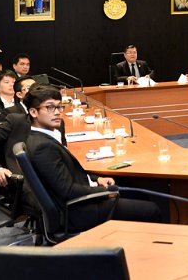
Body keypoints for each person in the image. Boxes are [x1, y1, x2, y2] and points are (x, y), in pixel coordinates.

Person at [25, 85, 161, 232]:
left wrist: (97, 179)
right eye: (50, 107)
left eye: (59, 107)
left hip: (81, 198)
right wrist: (103, 192)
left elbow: (69, 174)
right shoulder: (43, 147)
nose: (57, 112)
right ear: (33, 112)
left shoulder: (44, 137)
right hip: (79, 212)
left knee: (140, 194)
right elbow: (67, 191)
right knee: (152, 209)